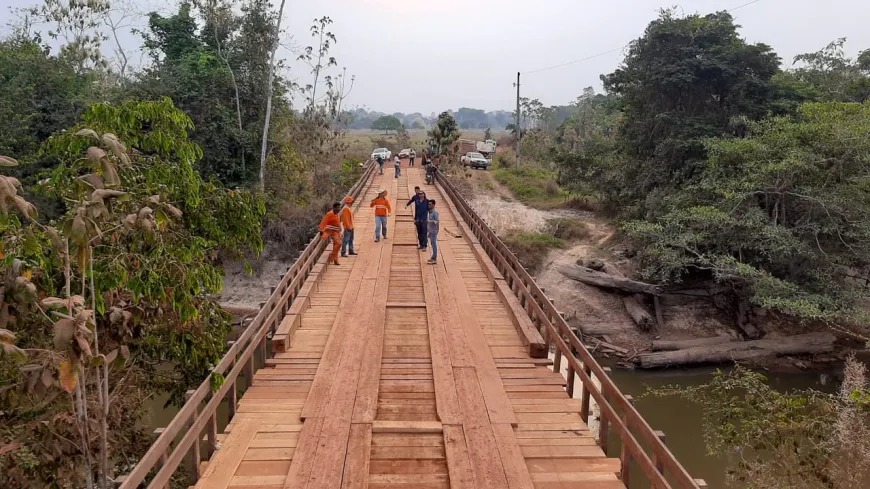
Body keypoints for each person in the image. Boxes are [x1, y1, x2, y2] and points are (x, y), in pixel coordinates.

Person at [319, 202, 343, 266]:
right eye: (337, 208)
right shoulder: (329, 214)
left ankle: (336, 260)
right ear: (334, 208)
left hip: (337, 231)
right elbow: (324, 221)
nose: (339, 209)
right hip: (332, 231)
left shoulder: (337, 214)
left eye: (339, 207)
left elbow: (338, 222)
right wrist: (321, 230)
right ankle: (332, 255)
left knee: (335, 245)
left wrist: (340, 229)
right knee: (339, 243)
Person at [427, 199, 439, 265]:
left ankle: (434, 258)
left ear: (433, 205)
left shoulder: (435, 213)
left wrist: (429, 221)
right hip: (431, 231)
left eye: (430, 204)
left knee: (434, 244)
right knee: (432, 244)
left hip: (434, 231)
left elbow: (436, 221)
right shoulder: (430, 212)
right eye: (428, 204)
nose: (429, 205)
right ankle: (433, 257)